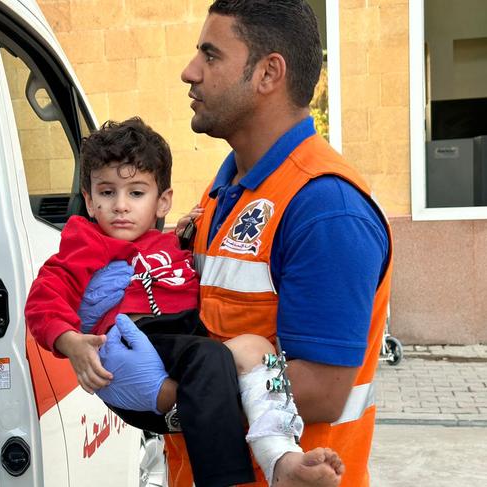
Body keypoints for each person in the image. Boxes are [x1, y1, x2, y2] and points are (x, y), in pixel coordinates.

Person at [80, 2, 393, 487]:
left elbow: (325, 391)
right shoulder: (226, 189)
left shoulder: (326, 210)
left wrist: (165, 394)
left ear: (268, 73)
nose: (190, 72)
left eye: (211, 55)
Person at [25, 117, 344, 487]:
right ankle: (223, 480)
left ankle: (279, 457)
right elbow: (44, 296)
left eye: (136, 193)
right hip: (140, 335)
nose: (121, 206)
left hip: (188, 335)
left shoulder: (170, 240)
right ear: (89, 200)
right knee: (212, 358)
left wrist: (185, 234)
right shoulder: (87, 241)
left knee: (257, 350)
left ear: (162, 202)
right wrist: (71, 342)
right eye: (107, 192)